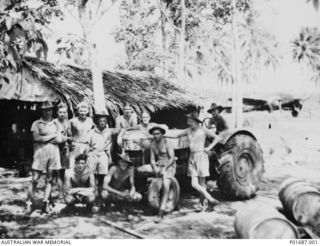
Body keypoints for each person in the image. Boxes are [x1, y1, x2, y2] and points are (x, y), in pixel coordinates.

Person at [167, 112, 221, 211]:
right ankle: (210, 199)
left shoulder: (203, 130)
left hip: (201, 156)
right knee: (194, 184)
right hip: (192, 157)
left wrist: (208, 148)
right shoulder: (188, 130)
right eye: (188, 121)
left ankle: (203, 204)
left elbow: (217, 138)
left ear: (196, 122)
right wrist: (163, 134)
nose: (188, 123)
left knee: (202, 183)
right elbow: (176, 135)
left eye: (190, 121)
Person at [26, 101, 63, 214]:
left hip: (53, 154)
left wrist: (45, 137)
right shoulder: (36, 123)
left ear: (53, 110)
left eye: (50, 109)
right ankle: (29, 204)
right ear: (42, 111)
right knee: (35, 179)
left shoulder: (57, 124)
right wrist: (52, 136)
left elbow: (60, 139)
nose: (48, 112)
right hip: (40, 154)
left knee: (50, 179)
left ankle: (46, 202)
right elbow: (36, 138)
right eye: (45, 110)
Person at [137, 125, 176, 220]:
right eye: (154, 134)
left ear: (162, 134)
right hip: (158, 166)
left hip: (168, 166)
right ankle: (143, 196)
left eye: (158, 133)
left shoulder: (167, 142)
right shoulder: (152, 144)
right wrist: (154, 167)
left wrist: (164, 168)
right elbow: (152, 159)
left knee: (166, 185)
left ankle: (161, 212)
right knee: (140, 169)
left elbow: (172, 158)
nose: (156, 136)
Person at [87, 110, 122, 200]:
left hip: (103, 154)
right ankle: (93, 195)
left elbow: (119, 130)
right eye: (100, 121)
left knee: (102, 175)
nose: (102, 123)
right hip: (93, 154)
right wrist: (88, 151)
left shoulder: (109, 131)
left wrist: (118, 119)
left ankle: (101, 196)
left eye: (104, 121)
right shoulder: (91, 132)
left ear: (106, 122)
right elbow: (87, 143)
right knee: (92, 175)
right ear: (97, 122)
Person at [69, 102, 94, 169]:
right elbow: (69, 134)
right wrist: (69, 144)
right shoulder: (72, 121)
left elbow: (92, 133)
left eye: (84, 111)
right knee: (72, 164)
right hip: (76, 144)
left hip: (87, 145)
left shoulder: (90, 121)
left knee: (88, 165)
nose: (83, 113)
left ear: (88, 111)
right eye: (81, 111)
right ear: (78, 111)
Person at [53, 103, 71, 198]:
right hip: (55, 148)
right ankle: (59, 192)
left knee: (64, 171)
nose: (62, 114)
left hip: (65, 148)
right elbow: (54, 136)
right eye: (60, 112)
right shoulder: (54, 122)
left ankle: (65, 191)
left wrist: (68, 140)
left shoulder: (67, 123)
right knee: (57, 171)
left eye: (64, 112)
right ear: (57, 112)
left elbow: (70, 135)